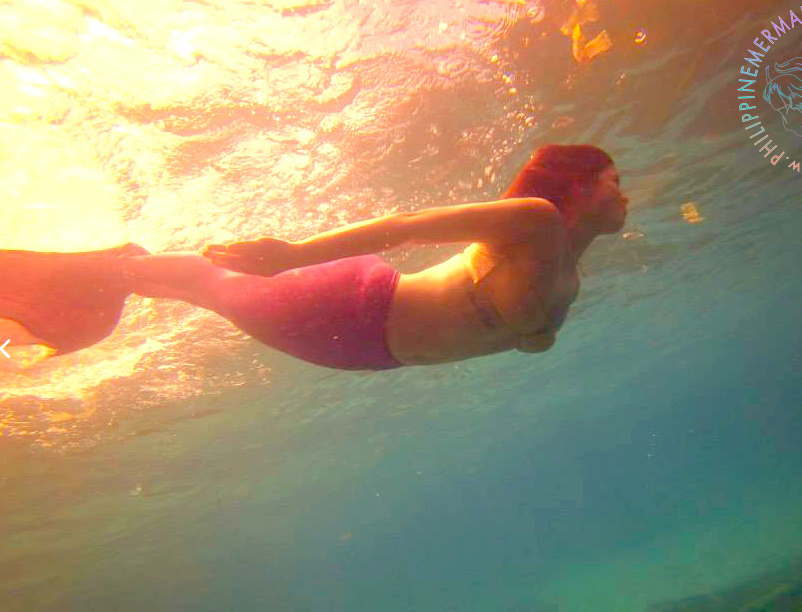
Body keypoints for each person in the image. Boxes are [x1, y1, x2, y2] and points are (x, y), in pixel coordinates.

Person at [0, 144, 628, 370]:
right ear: (578, 189)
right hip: (351, 307)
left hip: (364, 352)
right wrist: (292, 254)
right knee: (203, 282)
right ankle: (86, 278)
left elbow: (519, 337)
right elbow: (406, 227)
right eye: (613, 182)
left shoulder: (569, 280)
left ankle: (107, 278)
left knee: (200, 287)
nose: (624, 196)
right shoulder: (535, 221)